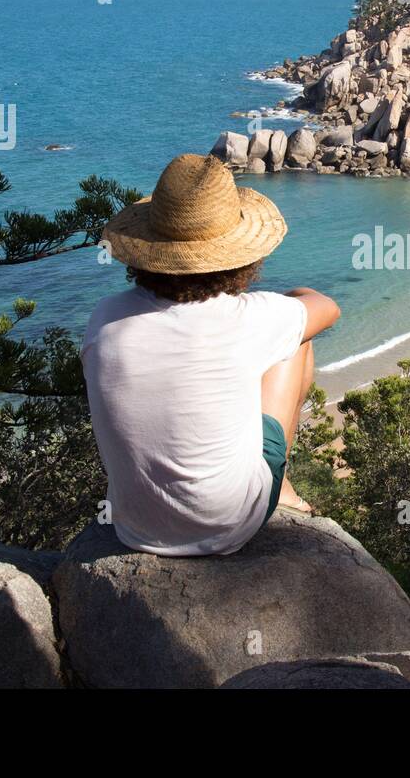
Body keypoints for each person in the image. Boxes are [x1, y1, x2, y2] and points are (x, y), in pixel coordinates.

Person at [81, 153, 340, 555]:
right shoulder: (249, 318)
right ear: (238, 256)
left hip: (133, 529)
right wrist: (287, 300)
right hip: (230, 525)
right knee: (297, 340)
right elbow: (326, 308)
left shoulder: (105, 316)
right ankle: (280, 483)